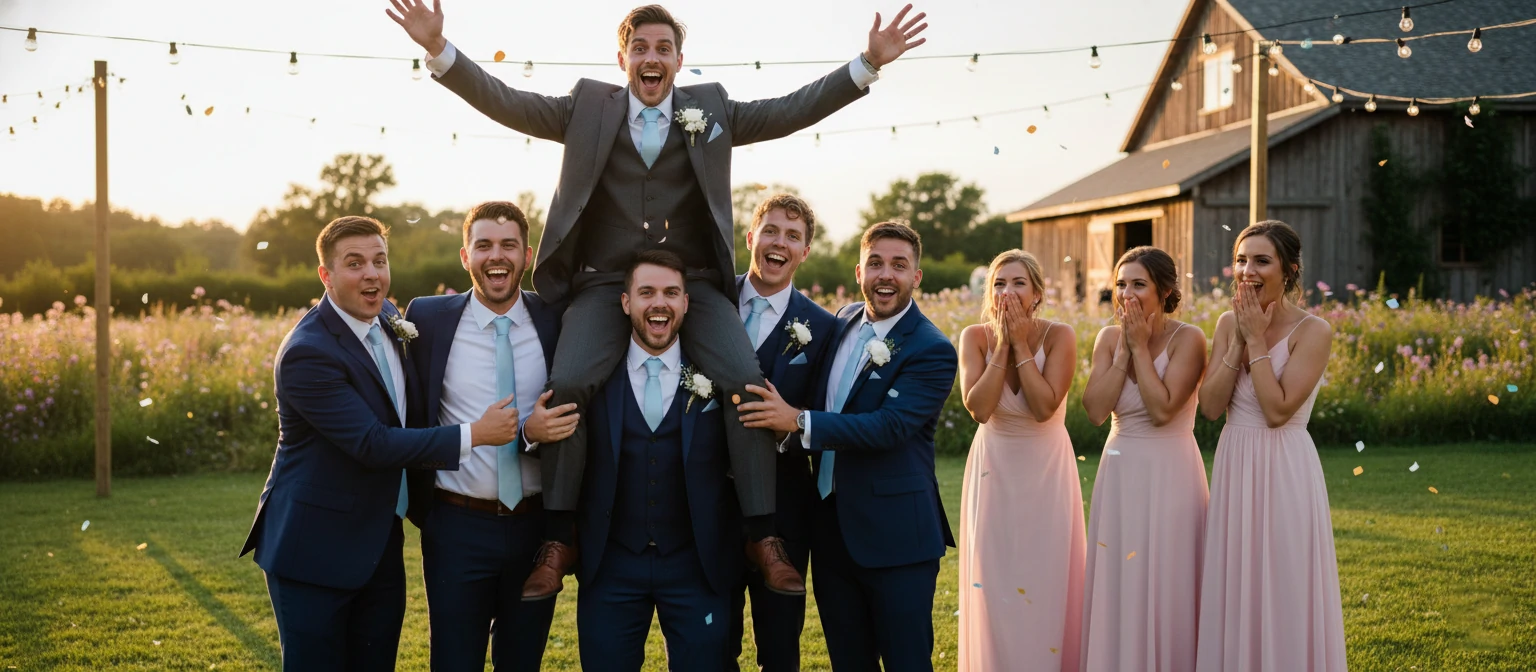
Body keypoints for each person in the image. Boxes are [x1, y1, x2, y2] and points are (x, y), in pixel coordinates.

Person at [386, 0, 929, 598]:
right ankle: (559, 537)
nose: (652, 57)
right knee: (569, 382)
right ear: (622, 58)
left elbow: (788, 111)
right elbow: (508, 102)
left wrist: (866, 64)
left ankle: (762, 533)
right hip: (604, 281)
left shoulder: (711, 109)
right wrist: (439, 51)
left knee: (745, 380)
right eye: (640, 47)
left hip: (691, 279)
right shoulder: (587, 107)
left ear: (678, 59)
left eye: (663, 48)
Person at [239, 216, 522, 670]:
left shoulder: (390, 317)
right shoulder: (308, 352)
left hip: (379, 541)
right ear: (326, 275)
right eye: (355, 264)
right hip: (314, 549)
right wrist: (476, 433)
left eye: (379, 260)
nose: (372, 274)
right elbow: (372, 443)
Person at [738, 221, 957, 671]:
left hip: (897, 539)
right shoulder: (842, 321)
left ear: (916, 277)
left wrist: (798, 421)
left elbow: (889, 427)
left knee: (907, 662)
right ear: (859, 272)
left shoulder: (932, 349)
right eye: (875, 263)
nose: (885, 275)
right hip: (831, 532)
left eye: (899, 265)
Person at [401, 201, 579, 671]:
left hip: (535, 528)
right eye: (483, 245)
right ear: (466, 256)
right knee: (453, 661)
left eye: (508, 245)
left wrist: (530, 435)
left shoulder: (558, 318)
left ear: (527, 255)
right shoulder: (428, 318)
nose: (496, 256)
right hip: (455, 526)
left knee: (522, 662)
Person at [573, 249, 743, 671]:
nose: (659, 303)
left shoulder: (718, 371)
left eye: (670, 292)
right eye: (646, 292)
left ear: (685, 301)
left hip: (696, 563)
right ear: (626, 301)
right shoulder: (593, 375)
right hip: (611, 564)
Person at [1195, 220, 1346, 671]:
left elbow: (1277, 410)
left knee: (1284, 578)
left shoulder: (1314, 331)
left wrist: (1257, 340)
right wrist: (1238, 339)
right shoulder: (1228, 323)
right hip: (1235, 463)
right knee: (1236, 579)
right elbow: (1210, 407)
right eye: (1241, 260)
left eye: (1262, 260)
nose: (1248, 270)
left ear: (1289, 269)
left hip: (1284, 466)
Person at [1078, 246, 1208, 672]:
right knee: (1120, 574)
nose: (1126, 294)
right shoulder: (1107, 339)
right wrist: (1123, 352)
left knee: (1168, 575)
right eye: (1120, 284)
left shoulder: (1189, 339)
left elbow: (1162, 409)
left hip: (1171, 471)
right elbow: (1096, 411)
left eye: (1138, 284)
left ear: (1164, 291)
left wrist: (1139, 347)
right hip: (1119, 469)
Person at [723, 195, 837, 671]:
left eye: (793, 236)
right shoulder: (708, 302)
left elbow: (825, 415)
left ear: (804, 251)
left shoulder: (824, 328)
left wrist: (790, 423)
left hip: (784, 511)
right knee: (707, 648)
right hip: (706, 507)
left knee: (780, 649)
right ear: (751, 237)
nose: (779, 243)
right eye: (770, 231)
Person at [955, 249, 1083, 671]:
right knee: (994, 579)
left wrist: (1022, 345)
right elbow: (979, 408)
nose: (1007, 292)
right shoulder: (974, 337)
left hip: (1046, 471)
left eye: (1018, 283)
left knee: (1045, 577)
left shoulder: (1060, 335)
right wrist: (1003, 346)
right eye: (999, 283)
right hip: (993, 471)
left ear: (1037, 294)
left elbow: (1044, 407)